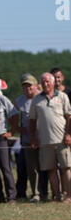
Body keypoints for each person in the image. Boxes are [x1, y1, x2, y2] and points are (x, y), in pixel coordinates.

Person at [30, 73, 71, 202]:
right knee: (51, 170)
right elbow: (31, 121)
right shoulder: (36, 100)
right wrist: (33, 138)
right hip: (45, 141)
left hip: (62, 140)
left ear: (53, 83)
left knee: (66, 168)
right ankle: (57, 195)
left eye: (48, 81)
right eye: (43, 82)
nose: (45, 84)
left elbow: (69, 117)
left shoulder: (63, 96)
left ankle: (69, 196)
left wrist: (68, 134)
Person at [15, 73, 48, 202]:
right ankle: (36, 193)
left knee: (46, 167)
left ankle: (48, 192)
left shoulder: (43, 97)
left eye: (30, 86)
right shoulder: (19, 101)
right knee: (32, 168)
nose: (27, 89)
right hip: (28, 140)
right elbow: (12, 114)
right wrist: (16, 128)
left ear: (36, 86)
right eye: (24, 87)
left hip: (45, 138)